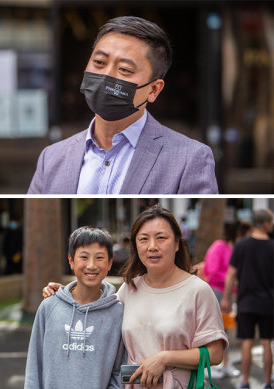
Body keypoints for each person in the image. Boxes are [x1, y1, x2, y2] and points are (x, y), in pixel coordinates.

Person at [28, 16, 218, 194]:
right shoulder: (51, 158)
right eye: (99, 62)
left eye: (124, 70)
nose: (107, 75)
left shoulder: (189, 159)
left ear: (153, 90)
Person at [43, 204, 228, 388]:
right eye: (144, 239)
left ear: (177, 244)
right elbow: (98, 311)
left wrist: (165, 358)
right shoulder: (129, 289)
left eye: (161, 238)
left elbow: (215, 353)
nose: (152, 247)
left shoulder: (198, 291)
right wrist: (67, 295)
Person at [25, 226, 124, 389]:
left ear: (110, 263)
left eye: (99, 257)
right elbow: (35, 365)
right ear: (71, 261)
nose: (92, 265)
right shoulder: (49, 306)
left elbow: (118, 371)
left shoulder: (117, 313)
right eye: (84, 257)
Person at [221, 209, 274, 389]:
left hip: (246, 302)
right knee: (267, 342)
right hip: (268, 302)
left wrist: (226, 298)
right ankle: (267, 382)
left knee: (247, 342)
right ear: (266, 224)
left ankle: (244, 382)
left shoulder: (241, 245)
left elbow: (230, 274)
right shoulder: (272, 246)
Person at [203, 221, 250, 379]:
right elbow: (214, 271)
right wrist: (234, 280)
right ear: (238, 234)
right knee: (214, 329)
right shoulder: (219, 246)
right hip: (217, 292)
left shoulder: (234, 249)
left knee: (226, 330)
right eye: (246, 235)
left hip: (229, 294)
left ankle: (225, 363)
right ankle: (212, 365)